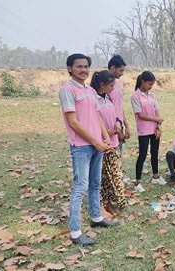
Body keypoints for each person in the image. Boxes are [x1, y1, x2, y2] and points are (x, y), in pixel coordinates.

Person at [59, 54, 117, 246]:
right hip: (82, 146)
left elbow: (96, 114)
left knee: (95, 183)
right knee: (80, 187)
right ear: (70, 69)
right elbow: (73, 122)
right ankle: (75, 232)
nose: (83, 70)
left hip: (97, 144)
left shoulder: (90, 90)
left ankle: (97, 217)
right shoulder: (68, 90)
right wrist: (95, 141)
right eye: (79, 67)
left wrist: (105, 136)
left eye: (86, 67)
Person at [90, 70, 126, 216]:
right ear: (102, 85)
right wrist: (104, 132)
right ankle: (103, 205)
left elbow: (114, 114)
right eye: (111, 86)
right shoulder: (93, 99)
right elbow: (92, 120)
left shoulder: (107, 98)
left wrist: (117, 124)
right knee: (104, 177)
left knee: (115, 174)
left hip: (114, 142)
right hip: (103, 143)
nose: (113, 89)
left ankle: (113, 201)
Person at [131, 71, 165, 191]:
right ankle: (138, 181)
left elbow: (156, 110)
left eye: (152, 84)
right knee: (143, 154)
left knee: (155, 152)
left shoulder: (152, 95)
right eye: (149, 84)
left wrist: (158, 126)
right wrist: (156, 119)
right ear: (143, 82)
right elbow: (140, 115)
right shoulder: (136, 96)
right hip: (144, 129)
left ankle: (155, 176)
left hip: (154, 128)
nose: (150, 86)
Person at [108, 55, 130, 155]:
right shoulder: (103, 85)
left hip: (119, 125)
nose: (122, 73)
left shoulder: (118, 84)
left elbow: (119, 106)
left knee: (118, 155)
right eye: (120, 70)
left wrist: (125, 125)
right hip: (110, 126)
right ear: (113, 68)